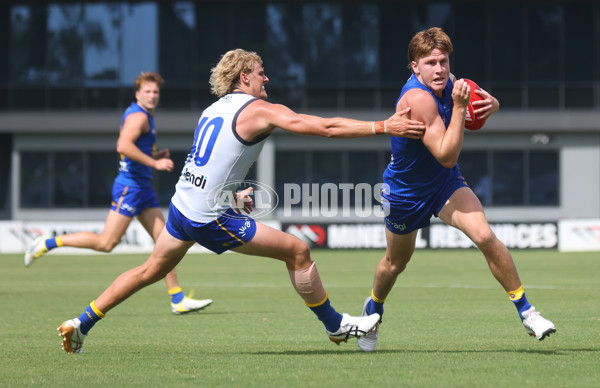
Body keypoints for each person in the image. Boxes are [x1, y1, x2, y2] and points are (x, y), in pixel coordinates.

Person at [56, 49, 426, 353]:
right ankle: (336, 326)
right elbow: (325, 127)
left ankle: (80, 324)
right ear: (243, 77)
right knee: (298, 251)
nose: (266, 78)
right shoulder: (259, 110)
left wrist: (233, 192)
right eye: (261, 73)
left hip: (183, 208)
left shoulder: (213, 110)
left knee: (150, 270)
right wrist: (382, 126)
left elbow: (207, 163)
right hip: (206, 217)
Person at [357, 27, 556, 352]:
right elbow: (447, 152)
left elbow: (479, 111)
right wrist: (462, 109)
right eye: (430, 62)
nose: (439, 69)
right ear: (414, 66)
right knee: (395, 264)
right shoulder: (417, 99)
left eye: (443, 61)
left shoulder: (453, 84)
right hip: (405, 192)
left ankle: (528, 313)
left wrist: (491, 106)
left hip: (444, 182)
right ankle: (374, 310)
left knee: (485, 237)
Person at [25, 71, 212, 315]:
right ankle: (47, 242)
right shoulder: (138, 116)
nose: (152, 95)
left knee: (166, 242)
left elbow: (130, 150)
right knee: (107, 242)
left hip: (142, 188)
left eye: (155, 92)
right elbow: (123, 146)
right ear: (138, 93)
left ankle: (177, 298)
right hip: (130, 188)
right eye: (147, 91)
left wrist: (154, 157)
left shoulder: (143, 115)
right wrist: (155, 164)